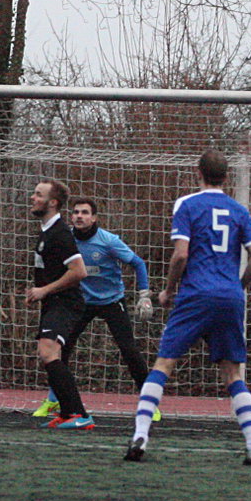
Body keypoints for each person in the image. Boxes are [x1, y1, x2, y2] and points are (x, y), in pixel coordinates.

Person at [126, 150, 251, 465]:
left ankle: (140, 435)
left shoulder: (187, 205)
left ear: (198, 173)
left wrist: (168, 290)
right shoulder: (239, 210)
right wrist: (238, 287)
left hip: (195, 295)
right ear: (226, 177)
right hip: (229, 298)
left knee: (164, 364)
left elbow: (181, 254)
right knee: (232, 373)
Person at [31, 196, 152, 416]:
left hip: (111, 301)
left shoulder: (108, 241)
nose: (79, 216)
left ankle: (149, 403)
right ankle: (54, 399)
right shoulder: (65, 239)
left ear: (94, 218)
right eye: (76, 212)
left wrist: (144, 295)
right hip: (81, 302)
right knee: (59, 350)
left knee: (129, 350)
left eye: (85, 212)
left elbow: (138, 263)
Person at [26, 179, 93, 429]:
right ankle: (67, 413)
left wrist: (44, 290)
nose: (33, 198)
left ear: (53, 202)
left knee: (48, 351)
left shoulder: (61, 233)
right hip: (53, 302)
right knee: (50, 354)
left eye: (38, 194)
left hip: (66, 303)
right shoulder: (46, 231)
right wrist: (38, 292)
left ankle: (79, 414)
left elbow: (79, 271)